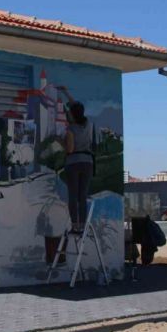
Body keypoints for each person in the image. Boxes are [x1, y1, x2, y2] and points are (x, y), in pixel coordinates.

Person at [58, 87, 95, 234]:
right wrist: (66, 92)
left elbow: (70, 150)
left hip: (73, 163)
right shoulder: (88, 124)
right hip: (88, 162)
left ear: (72, 115)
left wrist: (60, 141)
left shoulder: (71, 129)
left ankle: (75, 225)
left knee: (73, 196)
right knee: (82, 196)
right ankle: (83, 225)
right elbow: (77, 107)